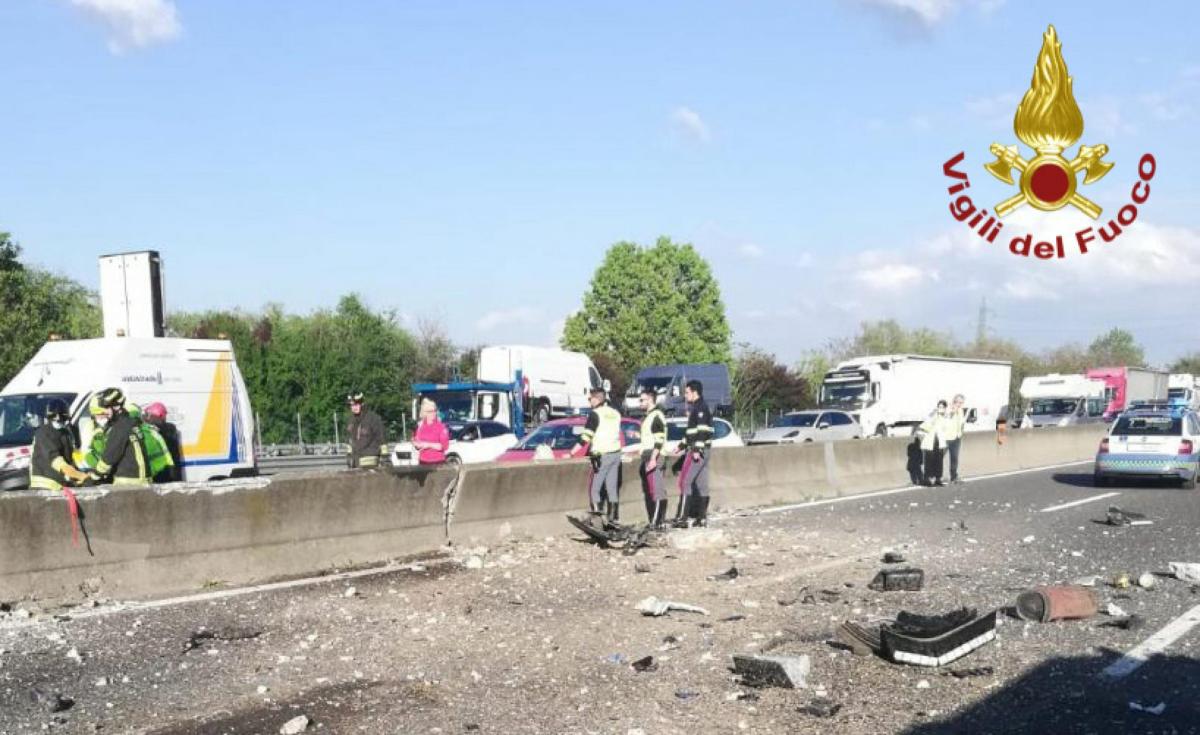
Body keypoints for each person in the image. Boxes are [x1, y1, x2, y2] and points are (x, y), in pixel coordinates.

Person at [569, 388, 623, 521]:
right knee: (611, 489)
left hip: (602, 455)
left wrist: (571, 452)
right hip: (616, 454)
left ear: (596, 399)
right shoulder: (615, 413)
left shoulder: (595, 414)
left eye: (589, 399)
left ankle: (598, 520)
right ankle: (613, 519)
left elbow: (586, 437)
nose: (589, 402)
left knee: (595, 490)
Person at [87, 388, 151, 486]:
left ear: (116, 407)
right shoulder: (129, 422)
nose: (98, 417)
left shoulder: (120, 427)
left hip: (128, 483)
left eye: (101, 412)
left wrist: (94, 477)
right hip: (139, 481)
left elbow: (109, 457)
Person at [674, 379, 714, 528]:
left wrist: (697, 449)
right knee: (702, 484)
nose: (685, 395)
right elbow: (691, 432)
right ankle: (701, 518)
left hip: (698, 451)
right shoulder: (697, 407)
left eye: (687, 392)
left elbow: (703, 431)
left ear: (694, 392)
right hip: (704, 450)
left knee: (685, 482)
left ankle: (682, 518)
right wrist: (681, 445)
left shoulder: (700, 408)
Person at [29, 399, 88, 491]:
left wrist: (79, 473)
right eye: (55, 419)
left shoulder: (65, 433)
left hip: (59, 485)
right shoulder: (44, 433)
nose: (58, 420)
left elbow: (70, 458)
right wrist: (79, 475)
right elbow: (56, 460)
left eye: (62, 419)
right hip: (44, 487)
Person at [637, 387, 668, 527]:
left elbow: (659, 439)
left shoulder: (656, 415)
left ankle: (657, 522)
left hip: (653, 456)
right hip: (648, 455)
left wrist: (653, 459)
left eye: (642, 400)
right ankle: (657, 521)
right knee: (652, 489)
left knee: (656, 490)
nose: (640, 403)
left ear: (650, 399)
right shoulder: (649, 416)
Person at [143, 402, 184, 482]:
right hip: (171, 471)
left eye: (150, 415)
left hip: (159, 472)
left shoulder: (152, 431)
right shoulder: (170, 429)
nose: (148, 417)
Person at [917, 400, 954, 487]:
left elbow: (947, 429)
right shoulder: (933, 416)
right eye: (939, 407)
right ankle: (927, 479)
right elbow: (925, 425)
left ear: (945, 408)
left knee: (939, 461)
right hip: (930, 441)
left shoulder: (946, 418)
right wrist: (933, 415)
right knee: (928, 460)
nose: (940, 409)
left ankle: (938, 479)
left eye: (942, 407)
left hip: (940, 441)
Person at [346, 392, 387, 469]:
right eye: (351, 405)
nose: (354, 407)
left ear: (362, 404)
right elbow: (349, 440)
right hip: (356, 461)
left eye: (356, 404)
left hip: (370, 460)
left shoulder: (373, 419)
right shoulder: (351, 421)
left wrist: (385, 457)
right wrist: (349, 455)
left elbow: (382, 438)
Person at [411, 398, 450, 466]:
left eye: (435, 411)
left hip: (438, 462)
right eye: (430, 411)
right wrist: (416, 444)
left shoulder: (441, 427)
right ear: (425, 412)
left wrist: (428, 445)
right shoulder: (420, 426)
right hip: (423, 462)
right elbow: (417, 444)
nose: (433, 413)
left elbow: (444, 446)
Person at [947, 393, 967, 484]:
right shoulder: (949, 408)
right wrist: (953, 411)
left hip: (957, 437)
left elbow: (962, 422)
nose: (959, 404)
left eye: (961, 403)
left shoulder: (961, 410)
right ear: (954, 401)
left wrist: (961, 433)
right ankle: (934, 476)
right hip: (947, 437)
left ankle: (954, 477)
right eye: (957, 402)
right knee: (938, 457)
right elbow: (947, 417)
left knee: (954, 458)